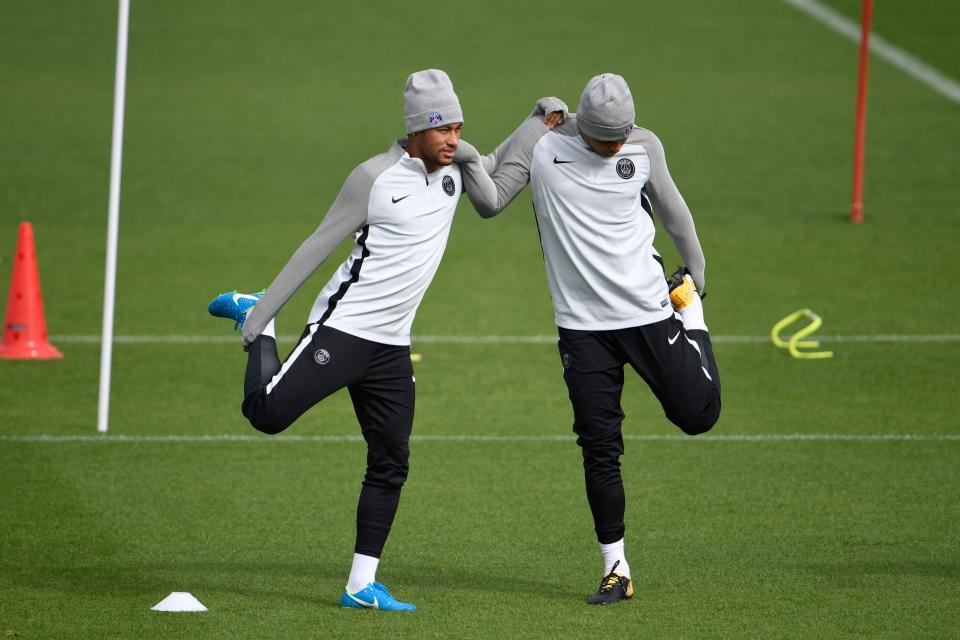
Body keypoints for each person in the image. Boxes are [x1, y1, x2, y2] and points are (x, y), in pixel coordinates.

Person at [207, 69, 521, 611]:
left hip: (392, 348)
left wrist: (537, 125)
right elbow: (317, 245)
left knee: (391, 460)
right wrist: (262, 316)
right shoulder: (373, 179)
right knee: (266, 414)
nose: (453, 138)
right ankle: (255, 320)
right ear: (417, 129)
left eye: (458, 126)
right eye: (443, 128)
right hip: (343, 330)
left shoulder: (455, 168)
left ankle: (360, 585)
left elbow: (492, 170)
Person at [455, 73, 721, 605]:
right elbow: (488, 196)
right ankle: (616, 568)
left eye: (624, 133)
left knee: (699, 416)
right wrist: (512, 132)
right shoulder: (545, 144)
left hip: (648, 311)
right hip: (582, 330)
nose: (618, 145)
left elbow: (672, 208)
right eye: (608, 139)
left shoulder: (644, 147)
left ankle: (690, 317)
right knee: (600, 449)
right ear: (584, 128)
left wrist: (696, 270)